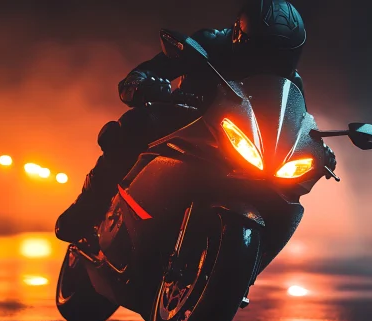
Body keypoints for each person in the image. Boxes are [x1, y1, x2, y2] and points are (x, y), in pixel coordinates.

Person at [55, 0, 333, 243]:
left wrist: (315, 147)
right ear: (241, 36)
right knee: (131, 127)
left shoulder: (290, 84)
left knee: (285, 188)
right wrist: (142, 84)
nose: (269, 61)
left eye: (281, 54)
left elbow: (294, 122)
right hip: (190, 122)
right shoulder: (210, 44)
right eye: (264, 50)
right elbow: (151, 70)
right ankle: (88, 207)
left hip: (242, 145)